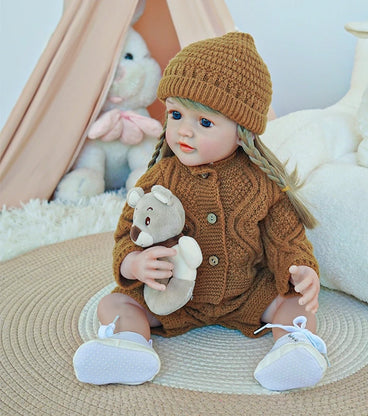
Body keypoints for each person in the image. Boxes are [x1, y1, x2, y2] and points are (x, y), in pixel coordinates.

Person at [73, 31, 329, 391]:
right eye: (176, 114)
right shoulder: (159, 177)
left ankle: (295, 350)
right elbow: (126, 233)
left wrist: (301, 270)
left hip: (247, 294)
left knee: (298, 306)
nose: (184, 132)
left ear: (242, 132)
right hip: (172, 298)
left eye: (204, 122)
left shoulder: (261, 183)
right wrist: (134, 264)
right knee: (113, 303)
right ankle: (129, 347)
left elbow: (287, 237)